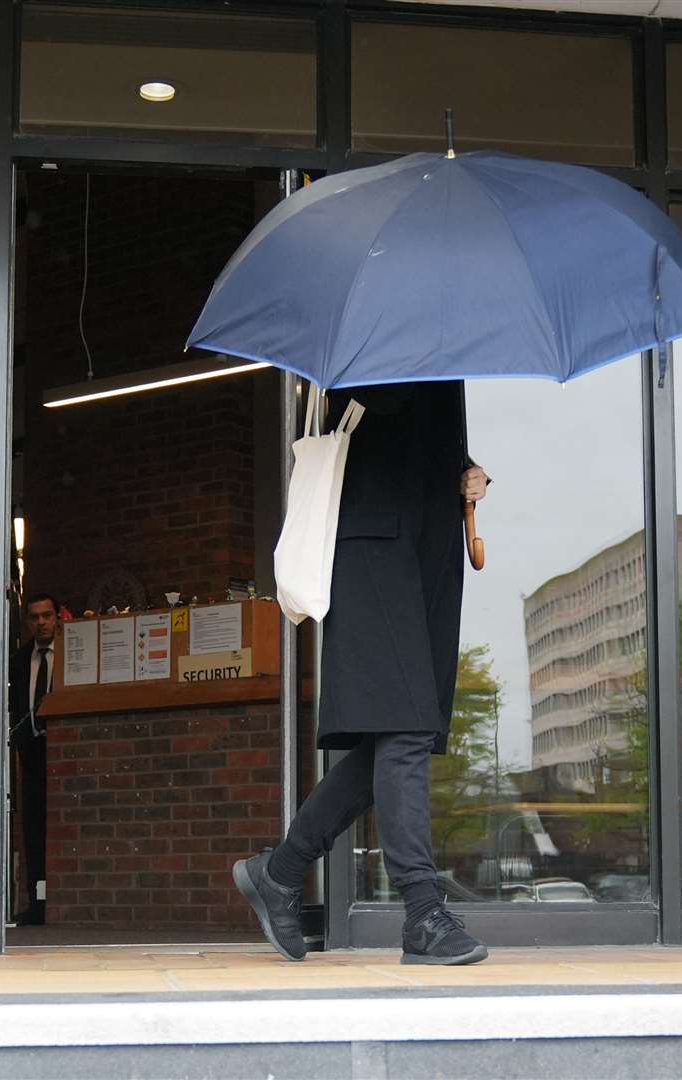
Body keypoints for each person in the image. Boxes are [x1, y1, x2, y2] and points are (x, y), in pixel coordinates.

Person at [234, 381, 491, 965]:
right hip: (373, 545)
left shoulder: (444, 350)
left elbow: (426, 439)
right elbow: (368, 428)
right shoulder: (375, 337)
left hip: (429, 552)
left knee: (402, 734)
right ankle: (423, 912)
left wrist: (467, 470)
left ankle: (280, 872)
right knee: (404, 729)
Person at [9, 592, 59, 926]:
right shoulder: (19, 659)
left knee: (58, 827)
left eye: (47, 615)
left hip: (61, 751)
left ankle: (56, 901)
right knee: (32, 829)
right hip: (29, 752)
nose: (41, 622)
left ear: (58, 617)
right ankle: (36, 902)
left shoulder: (71, 654)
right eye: (35, 617)